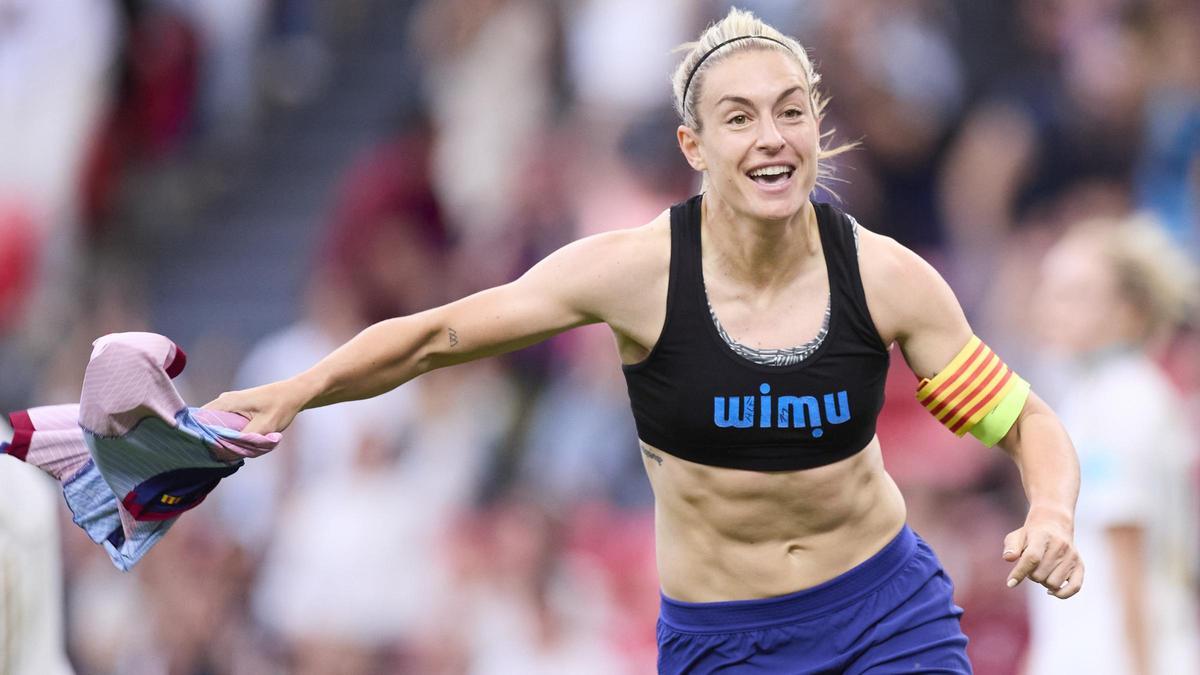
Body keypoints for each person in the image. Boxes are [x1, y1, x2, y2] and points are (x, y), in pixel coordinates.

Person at [207, 9, 1084, 673]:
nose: (771, 137)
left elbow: (1023, 420)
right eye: (738, 118)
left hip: (885, 617)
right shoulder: (634, 273)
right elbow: (437, 334)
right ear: (693, 146)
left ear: (817, 126)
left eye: (790, 112)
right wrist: (297, 390)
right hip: (723, 639)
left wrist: (1048, 510)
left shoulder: (886, 277)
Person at [1024, 215, 1199, 675]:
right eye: (1050, 289)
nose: (1051, 307)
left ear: (1130, 312)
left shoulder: (1129, 402)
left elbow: (1128, 558)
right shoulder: (1087, 396)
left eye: (1077, 294)